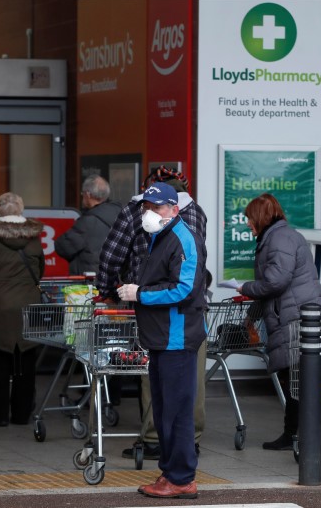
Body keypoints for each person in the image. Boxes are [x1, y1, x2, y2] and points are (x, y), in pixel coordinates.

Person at [97, 167, 207, 460]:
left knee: (169, 396)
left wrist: (125, 291)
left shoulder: (178, 235)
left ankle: (170, 457)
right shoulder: (188, 218)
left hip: (173, 325)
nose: (147, 212)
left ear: (172, 206)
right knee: (181, 391)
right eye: (146, 205)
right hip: (168, 324)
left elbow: (183, 287)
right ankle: (180, 452)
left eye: (154, 206)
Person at [236, 193, 321, 451]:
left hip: (295, 318)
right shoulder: (278, 237)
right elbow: (272, 286)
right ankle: (294, 433)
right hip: (292, 315)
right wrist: (251, 316)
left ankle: (295, 435)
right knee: (295, 379)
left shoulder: (279, 238)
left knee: (296, 379)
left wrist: (244, 286)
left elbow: (275, 281)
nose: (247, 224)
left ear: (261, 217)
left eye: (249, 218)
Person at [0, 192, 45, 426]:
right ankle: (22, 413)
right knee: (26, 361)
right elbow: (39, 271)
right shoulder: (34, 238)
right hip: (27, 304)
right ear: (20, 211)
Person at [55, 174, 121, 275]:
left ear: (88, 194)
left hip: (91, 283)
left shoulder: (88, 222)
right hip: (116, 281)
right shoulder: (121, 215)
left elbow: (63, 247)